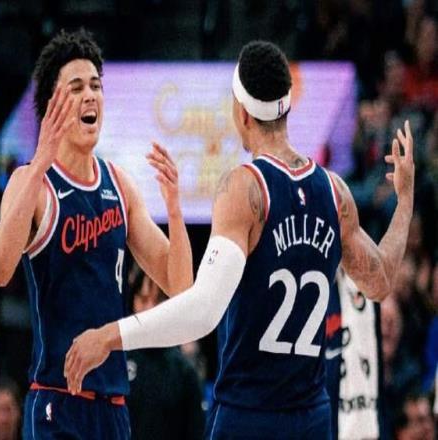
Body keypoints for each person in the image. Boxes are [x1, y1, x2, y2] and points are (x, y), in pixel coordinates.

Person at [65, 40, 415, 439]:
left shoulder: (246, 189)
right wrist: (405, 202)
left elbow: (203, 311)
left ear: (241, 112)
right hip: (311, 419)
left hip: (250, 415)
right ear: (286, 108)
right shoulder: (335, 193)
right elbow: (379, 281)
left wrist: (110, 335)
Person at [0, 29, 193, 439]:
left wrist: (174, 209)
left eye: (96, 86)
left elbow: (181, 286)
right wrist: (41, 160)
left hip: (113, 405)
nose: (90, 96)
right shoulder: (32, 182)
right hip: (56, 400)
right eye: (77, 87)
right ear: (51, 104)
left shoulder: (119, 184)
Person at [126, 264, 205, 440]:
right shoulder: (115, 360)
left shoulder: (184, 372)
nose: (149, 309)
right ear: (132, 300)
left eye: (157, 301)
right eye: (143, 299)